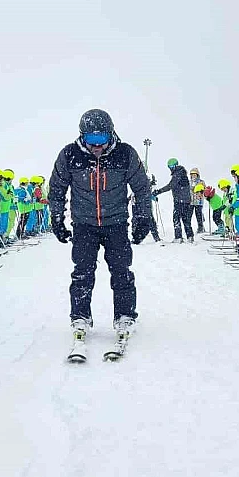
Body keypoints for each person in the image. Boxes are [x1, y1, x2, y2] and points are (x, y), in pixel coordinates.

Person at [48, 108, 152, 346]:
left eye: (102, 138)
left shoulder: (125, 154)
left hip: (116, 224)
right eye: (91, 139)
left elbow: (142, 188)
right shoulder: (70, 155)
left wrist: (143, 218)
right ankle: (80, 316)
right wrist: (57, 217)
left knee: (122, 271)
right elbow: (56, 188)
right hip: (84, 225)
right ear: (82, 136)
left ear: (111, 134)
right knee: (82, 273)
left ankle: (124, 315)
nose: (97, 145)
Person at [153, 158, 194, 243]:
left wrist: (158, 191)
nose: (170, 168)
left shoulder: (177, 174)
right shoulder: (182, 173)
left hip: (179, 200)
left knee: (176, 218)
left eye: (172, 166)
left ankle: (178, 237)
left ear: (175, 165)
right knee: (185, 219)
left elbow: (170, 186)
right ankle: (190, 237)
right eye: (169, 167)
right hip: (186, 200)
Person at [189, 167, 206, 233]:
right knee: (188, 215)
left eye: (195, 174)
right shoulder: (189, 182)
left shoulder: (201, 182)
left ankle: (201, 227)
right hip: (190, 201)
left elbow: (204, 190)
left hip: (199, 201)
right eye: (192, 175)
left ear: (197, 175)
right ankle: (188, 228)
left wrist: (201, 191)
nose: (193, 176)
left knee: (198, 215)